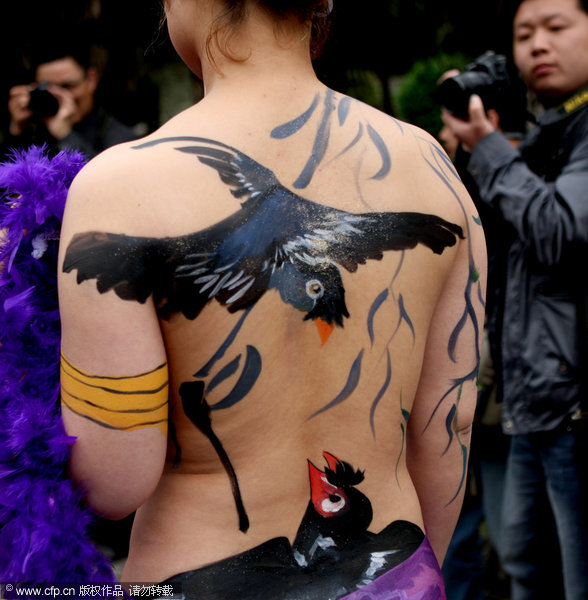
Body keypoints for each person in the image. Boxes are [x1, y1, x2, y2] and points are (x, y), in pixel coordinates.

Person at [57, 1, 486, 597]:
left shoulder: (117, 187)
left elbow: (113, 479)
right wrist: (405, 578)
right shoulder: (434, 169)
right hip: (393, 581)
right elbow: (450, 425)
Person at [442, 0, 588, 598]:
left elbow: (559, 231)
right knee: (525, 568)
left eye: (556, 27)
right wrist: (468, 156)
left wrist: (492, 150)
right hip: (535, 398)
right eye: (525, 33)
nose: (537, 45)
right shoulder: (548, 130)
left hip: (576, 407)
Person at [4, 44, 137, 159]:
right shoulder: (33, 130)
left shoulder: (120, 137)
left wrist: (65, 135)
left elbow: (106, 181)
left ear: (91, 79)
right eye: (48, 88)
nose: (61, 96)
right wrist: (16, 132)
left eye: (68, 86)